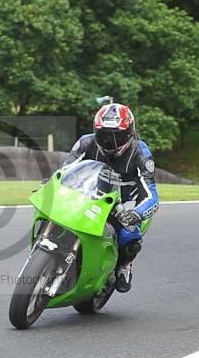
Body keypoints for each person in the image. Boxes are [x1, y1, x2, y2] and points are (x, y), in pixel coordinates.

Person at [60, 103, 159, 293]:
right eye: (104, 135)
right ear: (95, 132)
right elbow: (65, 170)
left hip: (127, 201)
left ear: (130, 134)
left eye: (118, 136)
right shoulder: (85, 143)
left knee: (128, 234)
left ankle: (124, 266)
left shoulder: (141, 152)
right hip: (92, 192)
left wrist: (136, 213)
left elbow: (152, 194)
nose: (110, 142)